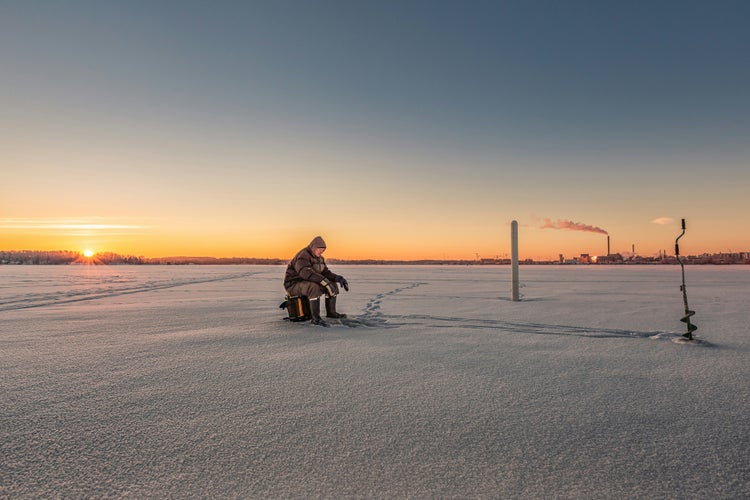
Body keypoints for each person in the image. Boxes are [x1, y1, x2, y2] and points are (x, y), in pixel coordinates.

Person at [283, 236, 349, 326]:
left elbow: (325, 273)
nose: (321, 252)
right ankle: (316, 319)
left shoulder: (320, 259)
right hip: (293, 284)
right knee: (313, 287)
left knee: (332, 284)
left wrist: (338, 278)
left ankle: (331, 313)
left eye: (323, 250)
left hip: (306, 283)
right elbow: (305, 273)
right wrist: (324, 281)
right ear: (313, 247)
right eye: (319, 249)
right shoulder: (303, 255)